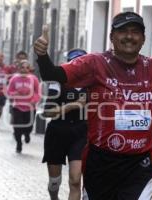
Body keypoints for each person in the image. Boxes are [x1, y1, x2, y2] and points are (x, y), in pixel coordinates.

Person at [34, 12, 152, 200]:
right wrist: (42, 55)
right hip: (100, 163)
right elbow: (52, 74)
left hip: (139, 165)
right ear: (112, 37)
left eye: (135, 32)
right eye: (123, 31)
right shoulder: (94, 64)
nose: (129, 36)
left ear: (143, 39)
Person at [42, 49, 88, 200]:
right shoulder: (58, 82)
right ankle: (54, 197)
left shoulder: (92, 84)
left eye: (82, 63)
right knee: (54, 182)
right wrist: (73, 106)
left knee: (75, 181)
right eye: (75, 63)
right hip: (57, 133)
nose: (79, 67)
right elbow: (47, 112)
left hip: (80, 134)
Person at [7, 60, 41, 153]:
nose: (25, 69)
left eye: (27, 67)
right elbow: (9, 91)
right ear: (19, 68)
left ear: (29, 69)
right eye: (23, 67)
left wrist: (34, 100)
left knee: (29, 126)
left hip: (30, 107)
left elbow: (38, 92)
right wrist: (15, 93)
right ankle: (19, 144)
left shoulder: (33, 79)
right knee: (17, 127)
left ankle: (27, 134)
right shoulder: (14, 79)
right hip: (18, 106)